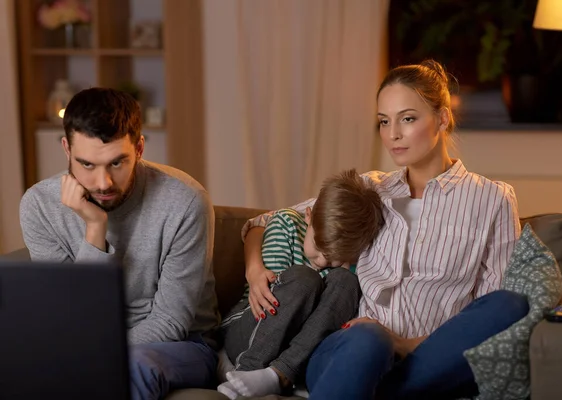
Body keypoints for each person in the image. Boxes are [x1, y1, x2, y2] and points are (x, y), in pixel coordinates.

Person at [241, 60, 529, 399]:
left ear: (442, 118)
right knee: (369, 340)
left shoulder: (493, 199)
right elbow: (259, 222)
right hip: (352, 348)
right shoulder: (368, 188)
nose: (393, 134)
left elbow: (486, 307)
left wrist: (403, 344)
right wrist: (254, 270)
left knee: (509, 305)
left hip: (431, 355)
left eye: (407, 118)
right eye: (383, 121)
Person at [19, 88, 219, 400]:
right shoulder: (39, 205)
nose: (103, 183)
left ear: (139, 148)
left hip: (182, 345)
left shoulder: (184, 200)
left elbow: (171, 322)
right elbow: (75, 315)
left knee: (132, 366)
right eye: (87, 164)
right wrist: (95, 226)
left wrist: (89, 356)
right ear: (66, 149)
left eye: (117, 163)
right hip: (86, 344)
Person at [217, 169, 385, 399]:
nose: (324, 261)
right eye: (318, 247)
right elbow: (274, 298)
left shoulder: (350, 260)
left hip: (297, 349)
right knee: (304, 278)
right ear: (308, 216)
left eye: (335, 257)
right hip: (252, 324)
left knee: (346, 281)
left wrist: (344, 269)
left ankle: (281, 375)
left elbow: (329, 316)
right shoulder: (286, 224)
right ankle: (246, 370)